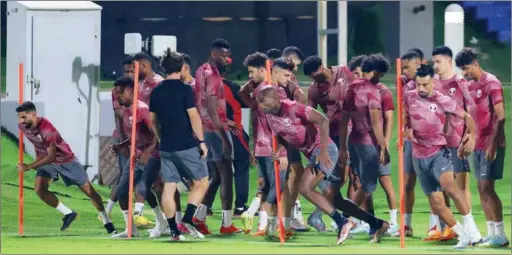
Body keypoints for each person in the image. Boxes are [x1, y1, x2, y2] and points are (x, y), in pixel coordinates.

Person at [258, 86, 389, 245]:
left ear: (276, 99)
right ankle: (377, 223)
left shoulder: (293, 108)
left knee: (304, 188)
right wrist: (280, 151)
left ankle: (342, 222)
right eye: (259, 102)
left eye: (264, 101)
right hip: (312, 154)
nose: (261, 105)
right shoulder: (270, 116)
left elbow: (323, 120)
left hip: (324, 151)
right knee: (335, 200)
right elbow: (281, 136)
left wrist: (324, 151)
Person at [403, 63, 482, 249]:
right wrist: (406, 130)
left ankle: (473, 231)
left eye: (425, 85)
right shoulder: (409, 96)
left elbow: (467, 117)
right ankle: (462, 235)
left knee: (450, 187)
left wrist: (470, 137)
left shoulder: (442, 100)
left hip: (438, 152)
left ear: (433, 83)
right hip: (418, 156)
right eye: (418, 84)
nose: (421, 89)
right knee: (437, 204)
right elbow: (407, 117)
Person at [16, 102, 117, 234]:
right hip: (45, 160)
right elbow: (35, 142)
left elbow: (52, 157)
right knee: (39, 189)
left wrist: (29, 166)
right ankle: (68, 213)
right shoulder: (23, 127)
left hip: (65, 160)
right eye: (20, 117)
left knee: (89, 191)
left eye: (24, 117)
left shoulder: (47, 129)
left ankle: (106, 221)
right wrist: (37, 159)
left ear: (33, 114)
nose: (21, 121)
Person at [149, 50, 210, 241]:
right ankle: (187, 220)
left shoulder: (156, 91)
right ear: (182, 67)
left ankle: (174, 231)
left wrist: (160, 138)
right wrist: (201, 142)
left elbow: (152, 120)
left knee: (169, 186)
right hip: (186, 144)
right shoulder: (185, 90)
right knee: (202, 182)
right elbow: (193, 116)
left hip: (166, 146)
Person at [455, 48, 509, 247]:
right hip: (477, 145)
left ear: (475, 63)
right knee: (481, 189)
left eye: (466, 68)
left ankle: (501, 235)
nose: (464, 72)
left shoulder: (491, 83)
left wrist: (492, 145)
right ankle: (492, 233)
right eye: (461, 69)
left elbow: (501, 116)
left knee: (488, 188)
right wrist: (465, 140)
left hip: (491, 145)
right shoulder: (470, 86)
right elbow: (471, 119)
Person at [192, 38, 241, 235]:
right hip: (214, 129)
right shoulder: (212, 75)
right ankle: (226, 223)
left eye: (228, 55)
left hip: (204, 128)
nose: (226, 59)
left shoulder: (201, 69)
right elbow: (212, 109)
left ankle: (199, 217)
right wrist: (224, 137)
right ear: (214, 54)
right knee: (227, 174)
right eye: (223, 55)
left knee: (216, 177)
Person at [238, 54, 291, 237]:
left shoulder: (267, 91)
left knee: (273, 186)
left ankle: (271, 225)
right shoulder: (265, 92)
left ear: (263, 70)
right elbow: (271, 122)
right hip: (267, 147)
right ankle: (268, 225)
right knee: (272, 185)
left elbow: (283, 123)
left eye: (252, 72)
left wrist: (281, 150)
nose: (250, 76)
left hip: (268, 147)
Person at [304, 54, 357, 232]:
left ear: (322, 67)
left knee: (349, 178)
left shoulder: (343, 72)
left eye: (316, 75)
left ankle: (330, 216)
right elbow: (310, 114)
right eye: (312, 78)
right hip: (335, 136)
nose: (315, 80)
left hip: (354, 130)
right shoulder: (314, 90)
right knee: (340, 179)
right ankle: (342, 219)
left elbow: (357, 90)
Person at [109, 76, 167, 239]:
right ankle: (131, 229)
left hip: (151, 155)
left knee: (144, 186)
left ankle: (163, 222)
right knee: (121, 192)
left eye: (119, 93)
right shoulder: (127, 111)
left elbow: (156, 131)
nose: (117, 97)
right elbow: (135, 136)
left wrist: (149, 150)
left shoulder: (142, 109)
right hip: (136, 155)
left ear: (129, 91)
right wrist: (121, 145)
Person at [432, 45, 475, 241]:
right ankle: (450, 229)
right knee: (443, 187)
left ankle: (470, 228)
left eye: (438, 61)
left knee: (460, 187)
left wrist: (469, 136)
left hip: (457, 141)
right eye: (433, 62)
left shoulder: (461, 83)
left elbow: (470, 112)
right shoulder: (431, 84)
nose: (435, 66)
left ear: (448, 61)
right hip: (437, 144)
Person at [130, 52, 165, 226]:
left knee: (155, 182)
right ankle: (164, 221)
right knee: (156, 184)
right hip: (143, 142)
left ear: (144, 66)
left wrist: (154, 144)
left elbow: (159, 117)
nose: (132, 72)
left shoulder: (159, 84)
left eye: (135, 68)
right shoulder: (141, 85)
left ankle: (139, 213)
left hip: (156, 142)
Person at [279, 50, 309, 232]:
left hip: (289, 133)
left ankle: (290, 216)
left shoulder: (288, 81)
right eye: (294, 64)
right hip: (283, 133)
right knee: (287, 175)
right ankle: (283, 218)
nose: (295, 69)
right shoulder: (283, 82)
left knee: (296, 172)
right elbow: (301, 100)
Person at [104, 56, 134, 221]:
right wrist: (124, 142)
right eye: (127, 71)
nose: (129, 73)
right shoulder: (118, 90)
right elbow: (118, 116)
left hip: (140, 138)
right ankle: (107, 212)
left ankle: (139, 213)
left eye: (132, 70)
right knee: (125, 175)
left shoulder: (141, 87)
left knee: (139, 176)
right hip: (123, 137)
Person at [396, 50, 422, 237]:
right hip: (410, 139)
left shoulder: (432, 83)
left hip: (431, 141)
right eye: (403, 67)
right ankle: (406, 225)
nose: (404, 71)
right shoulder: (406, 87)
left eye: (407, 67)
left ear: (419, 64)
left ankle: (436, 225)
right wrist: (402, 132)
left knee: (435, 185)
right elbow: (405, 113)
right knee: (407, 182)